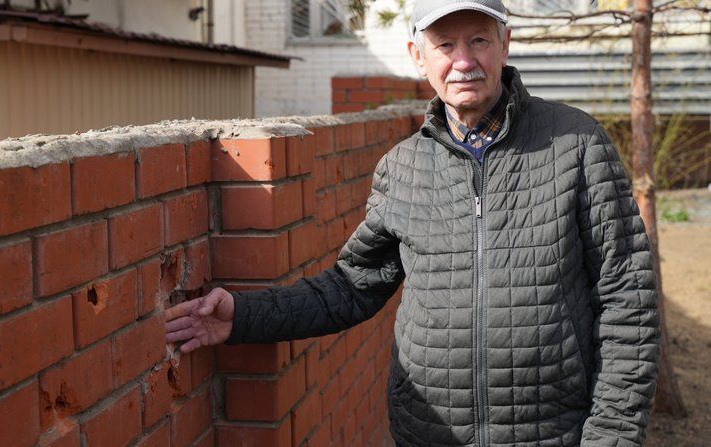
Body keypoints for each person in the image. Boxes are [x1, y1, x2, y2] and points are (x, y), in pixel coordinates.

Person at [164, 0, 660, 445]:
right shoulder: (402, 167)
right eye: (445, 45)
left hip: (553, 432)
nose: (463, 61)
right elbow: (352, 287)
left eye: (479, 40)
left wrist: (611, 435)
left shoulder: (577, 144)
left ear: (505, 44)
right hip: (427, 433)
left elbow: (628, 300)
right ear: (418, 56)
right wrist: (243, 316)